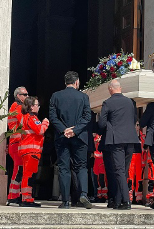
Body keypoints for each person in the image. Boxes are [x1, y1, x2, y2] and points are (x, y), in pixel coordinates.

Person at [49, 71, 92, 209]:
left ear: (65, 82)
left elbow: (53, 117)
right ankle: (83, 194)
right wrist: (75, 130)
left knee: (64, 168)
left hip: (62, 137)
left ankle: (65, 201)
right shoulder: (84, 97)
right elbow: (87, 117)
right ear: (77, 82)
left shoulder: (55, 96)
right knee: (81, 167)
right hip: (79, 137)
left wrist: (64, 130)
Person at [98, 79, 139, 210]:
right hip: (131, 139)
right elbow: (134, 119)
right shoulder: (130, 102)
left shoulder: (107, 102)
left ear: (110, 89)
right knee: (124, 171)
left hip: (117, 140)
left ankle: (126, 201)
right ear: (120, 88)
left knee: (119, 171)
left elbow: (102, 124)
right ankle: (118, 200)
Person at [18, 96, 49, 207]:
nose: (39, 107)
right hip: (31, 151)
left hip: (27, 151)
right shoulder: (32, 118)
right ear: (31, 107)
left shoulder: (25, 117)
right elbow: (40, 131)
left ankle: (26, 197)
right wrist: (45, 122)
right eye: (37, 105)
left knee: (27, 174)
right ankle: (27, 199)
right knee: (29, 175)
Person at [6, 86, 28, 206]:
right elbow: (24, 123)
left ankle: (15, 196)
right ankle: (13, 197)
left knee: (19, 170)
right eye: (25, 94)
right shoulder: (18, 107)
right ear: (18, 96)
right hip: (17, 143)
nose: (27, 96)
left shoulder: (15, 106)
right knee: (18, 170)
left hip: (16, 143)